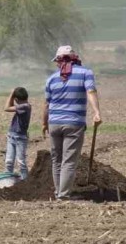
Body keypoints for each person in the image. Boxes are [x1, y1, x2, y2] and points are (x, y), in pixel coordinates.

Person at [42, 45, 102, 200]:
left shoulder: (51, 79)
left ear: (59, 61)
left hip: (54, 122)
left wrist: (44, 123)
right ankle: (63, 195)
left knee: (57, 160)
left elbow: (46, 104)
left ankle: (58, 193)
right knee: (68, 160)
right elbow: (91, 91)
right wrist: (96, 112)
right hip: (74, 123)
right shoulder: (85, 73)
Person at [4, 87, 32, 181]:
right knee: (9, 161)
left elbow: (7, 108)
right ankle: (7, 181)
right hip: (12, 135)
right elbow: (11, 106)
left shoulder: (25, 106)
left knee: (21, 162)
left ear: (16, 99)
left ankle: (25, 182)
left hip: (20, 137)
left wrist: (11, 94)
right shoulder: (23, 106)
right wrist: (13, 97)